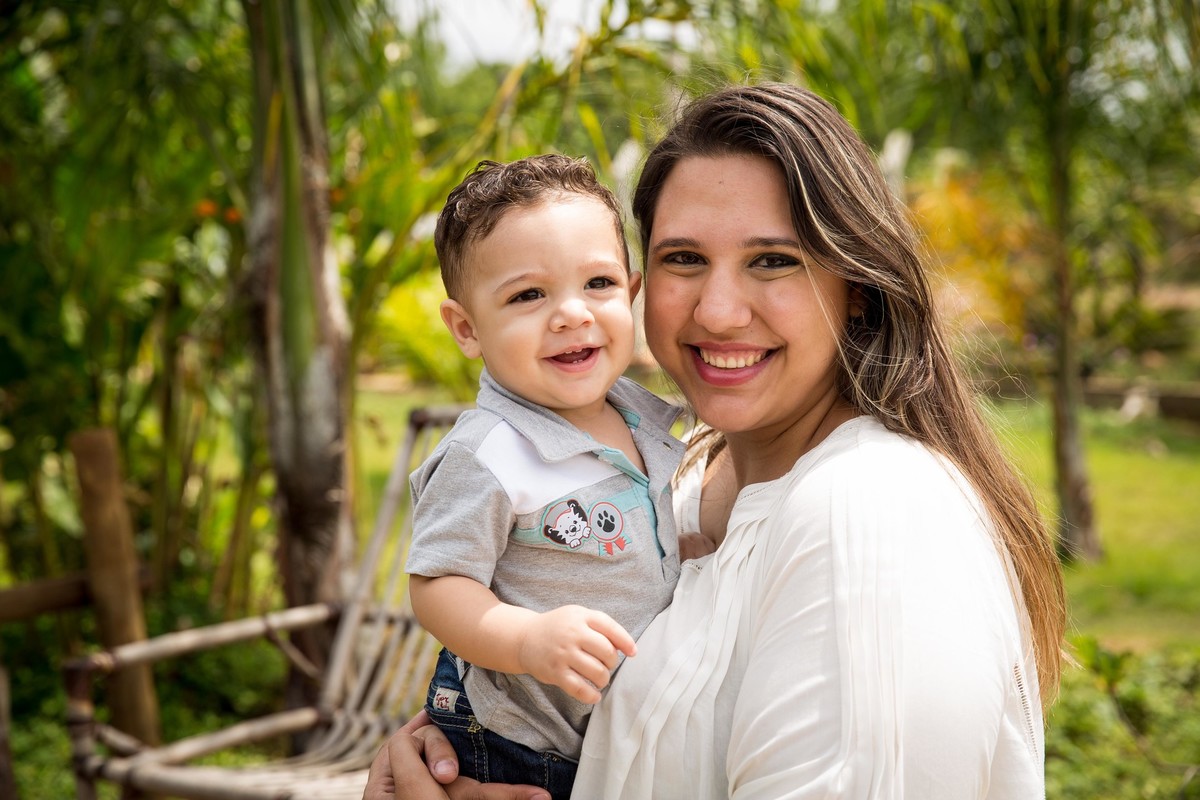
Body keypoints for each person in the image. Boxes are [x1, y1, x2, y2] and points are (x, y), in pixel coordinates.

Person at [366, 82, 1066, 800]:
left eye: (773, 260)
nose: (719, 311)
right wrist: (444, 759)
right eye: (685, 259)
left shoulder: (870, 516)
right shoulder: (682, 478)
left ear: (857, 284)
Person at [405, 154, 711, 800]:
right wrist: (524, 639)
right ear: (467, 328)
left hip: (607, 739)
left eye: (597, 284)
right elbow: (437, 584)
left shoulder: (651, 422)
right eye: (527, 295)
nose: (571, 313)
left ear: (630, 294)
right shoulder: (491, 453)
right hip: (515, 743)